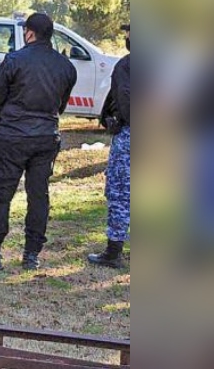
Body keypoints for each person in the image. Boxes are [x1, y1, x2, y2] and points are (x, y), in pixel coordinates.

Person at [0, 13, 77, 271]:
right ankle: (31, 254)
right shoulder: (66, 67)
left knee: (0, 194)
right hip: (46, 136)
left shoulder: (14, 60)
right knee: (38, 196)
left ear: (29, 33)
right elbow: (61, 104)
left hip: (13, 136)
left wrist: (6, 121)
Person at [88, 23, 130, 268]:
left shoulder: (127, 65)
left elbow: (124, 99)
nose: (126, 37)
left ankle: (113, 251)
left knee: (120, 192)